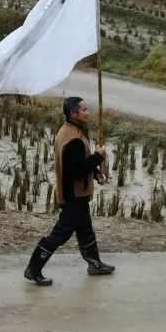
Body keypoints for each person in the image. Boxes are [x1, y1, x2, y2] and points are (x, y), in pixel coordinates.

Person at [24, 97, 113, 286]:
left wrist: (96, 173)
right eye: (84, 110)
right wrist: (98, 157)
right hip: (74, 196)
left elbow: (80, 163)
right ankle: (33, 269)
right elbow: (77, 171)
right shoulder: (73, 139)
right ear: (73, 114)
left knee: (85, 231)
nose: (88, 113)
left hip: (77, 194)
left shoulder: (72, 131)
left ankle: (95, 264)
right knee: (60, 234)